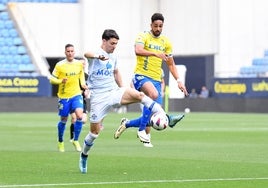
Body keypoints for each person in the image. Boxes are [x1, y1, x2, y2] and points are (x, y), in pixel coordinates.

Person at [79, 29, 168, 173]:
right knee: (94, 133)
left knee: (139, 95)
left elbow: (115, 72)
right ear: (104, 41)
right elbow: (86, 54)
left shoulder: (114, 56)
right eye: (112, 43)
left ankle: (163, 113)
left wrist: (123, 88)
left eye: (116, 44)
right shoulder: (95, 54)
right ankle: (84, 155)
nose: (114, 46)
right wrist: (98, 56)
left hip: (113, 91)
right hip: (98, 98)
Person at [114, 13, 189, 147]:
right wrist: (155, 53)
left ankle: (127, 124)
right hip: (140, 76)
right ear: (151, 25)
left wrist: (178, 80)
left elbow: (171, 63)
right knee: (153, 95)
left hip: (156, 80)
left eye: (160, 26)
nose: (158, 28)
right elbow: (138, 50)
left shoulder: (166, 42)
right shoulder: (143, 36)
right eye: (155, 26)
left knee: (153, 117)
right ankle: (142, 130)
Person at [49, 44, 88, 152]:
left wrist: (83, 84)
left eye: (72, 51)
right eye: (68, 51)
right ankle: (60, 141)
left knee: (80, 116)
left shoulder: (79, 64)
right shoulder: (60, 65)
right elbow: (52, 79)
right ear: (65, 52)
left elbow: (81, 75)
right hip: (64, 97)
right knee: (64, 119)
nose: (70, 53)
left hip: (76, 94)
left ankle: (75, 140)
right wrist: (61, 81)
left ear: (74, 52)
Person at [70, 59, 90, 141]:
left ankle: (75, 130)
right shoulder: (74, 75)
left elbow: (88, 86)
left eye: (84, 64)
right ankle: (73, 137)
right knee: (75, 118)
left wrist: (87, 92)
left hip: (82, 100)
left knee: (84, 120)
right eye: (81, 64)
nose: (83, 65)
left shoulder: (86, 76)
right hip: (73, 99)